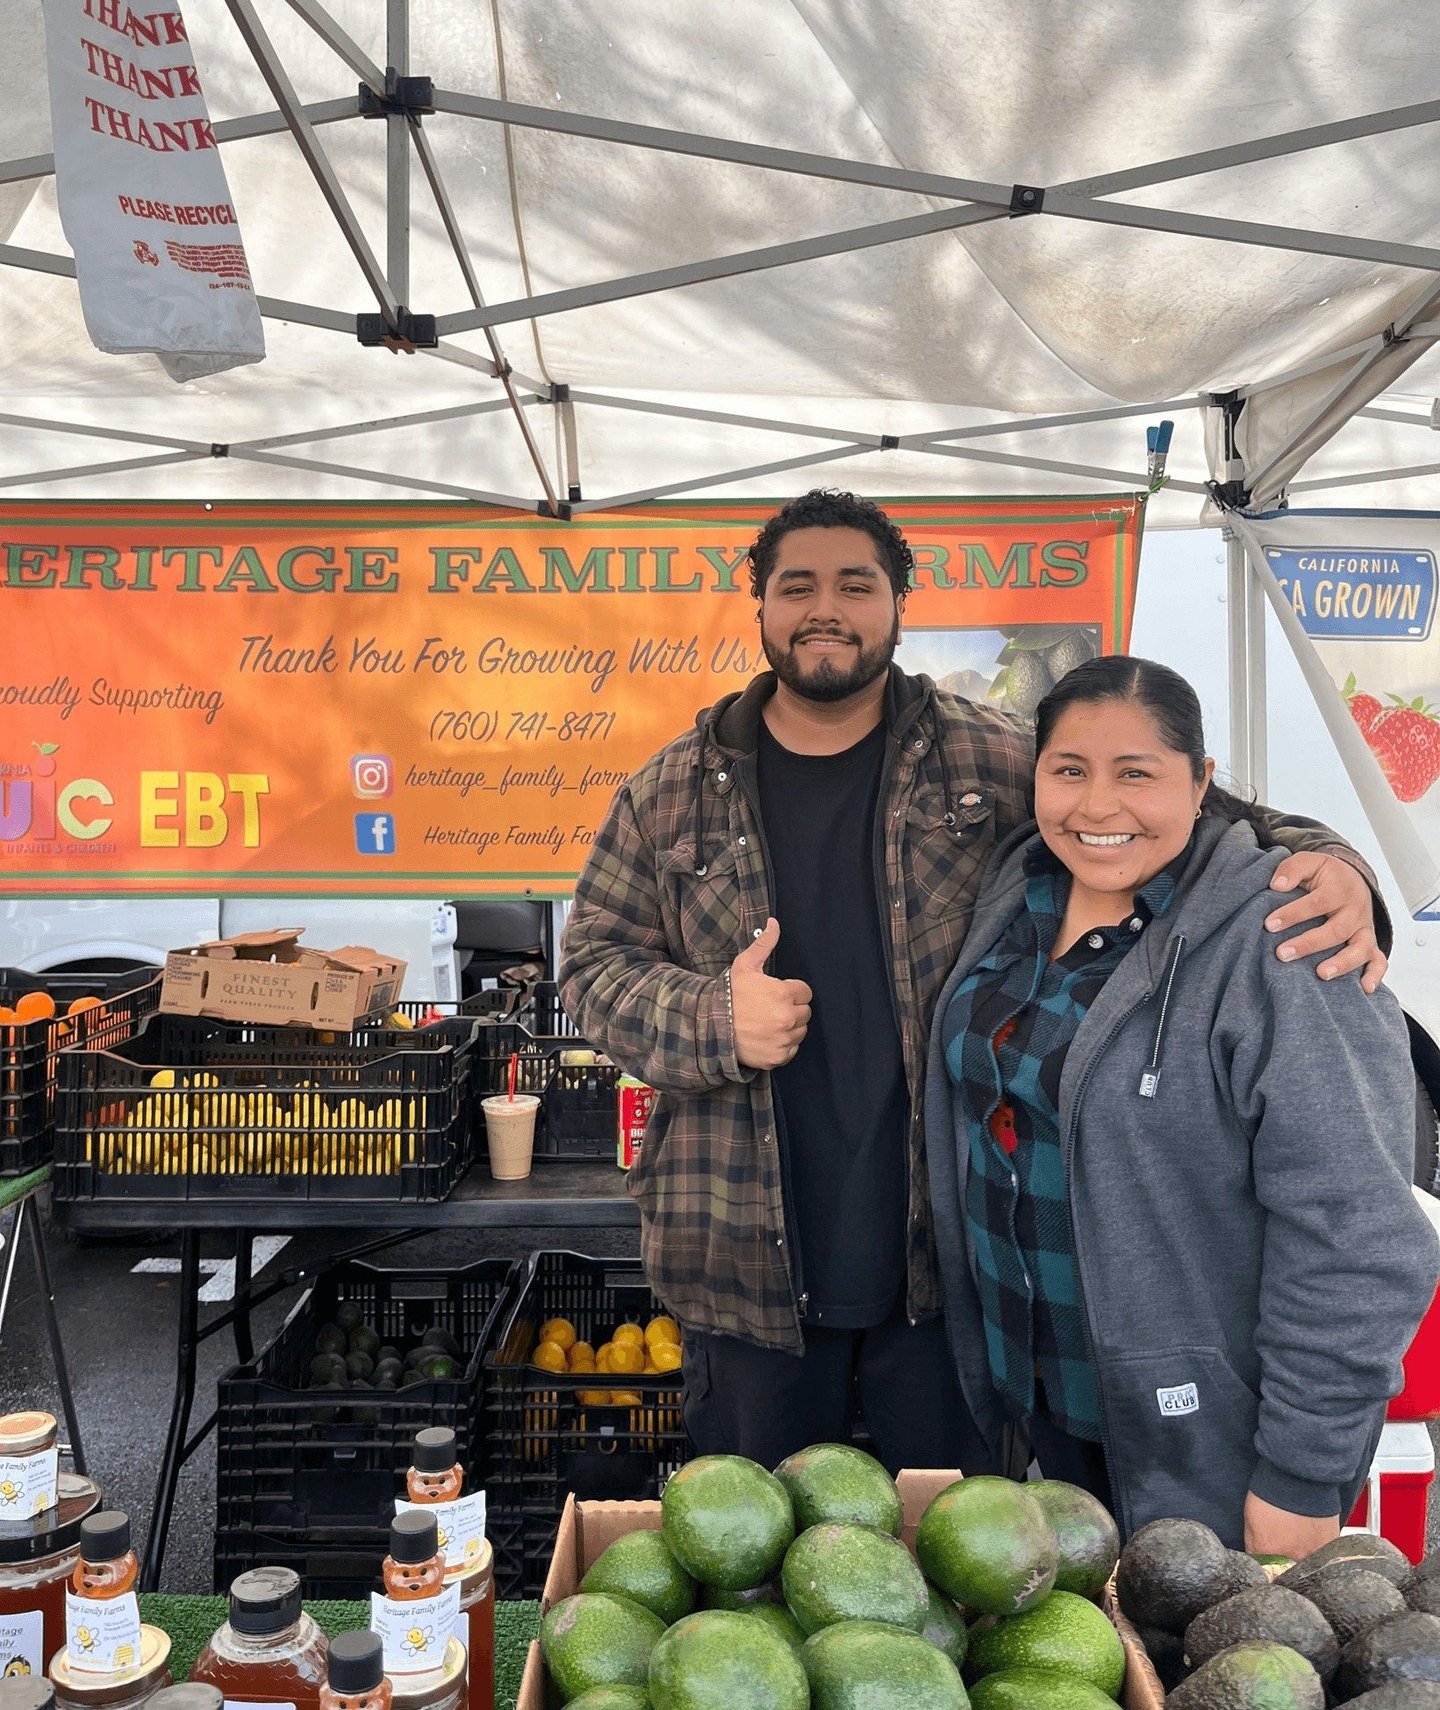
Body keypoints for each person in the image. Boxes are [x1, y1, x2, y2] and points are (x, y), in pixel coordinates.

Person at [558, 488, 1389, 1475]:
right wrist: (709, 1016)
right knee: (755, 1564)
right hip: (740, 1267)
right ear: (762, 606)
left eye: (856, 583)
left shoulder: (992, 756)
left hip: (949, 1267)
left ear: (898, 604)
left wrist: (1336, 863)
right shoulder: (665, 791)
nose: (827, 607)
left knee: (964, 1562)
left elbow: (1179, 807)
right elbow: (590, 964)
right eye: (799, 585)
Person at [925, 655, 1439, 1556]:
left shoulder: (1286, 939)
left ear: (1202, 781)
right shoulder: (1014, 896)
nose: (1097, 806)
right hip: (1033, 1404)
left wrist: (1303, 1479)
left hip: (1202, 1442)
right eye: (1070, 770)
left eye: (1137, 773)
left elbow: (1358, 1232)